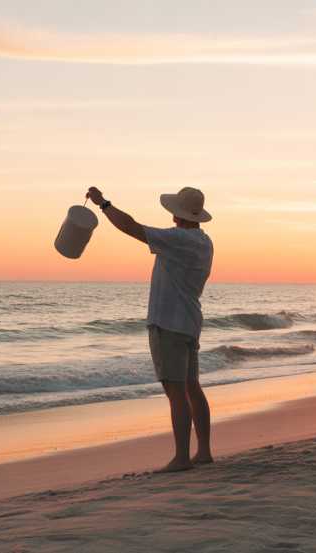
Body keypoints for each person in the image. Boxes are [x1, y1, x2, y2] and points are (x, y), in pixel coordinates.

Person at [86, 185, 214, 472]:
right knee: (192, 387)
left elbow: (131, 227)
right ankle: (203, 450)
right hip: (190, 322)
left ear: (178, 214)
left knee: (176, 392)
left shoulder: (178, 239)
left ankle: (181, 457)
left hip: (168, 322)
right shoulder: (205, 242)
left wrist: (103, 204)